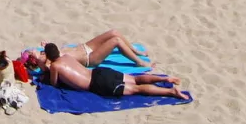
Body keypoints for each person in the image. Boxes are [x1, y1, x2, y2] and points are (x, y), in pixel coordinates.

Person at [40, 43, 188, 101]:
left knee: (136, 89)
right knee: (135, 79)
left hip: (97, 83)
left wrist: (45, 68)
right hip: (99, 72)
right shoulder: (66, 56)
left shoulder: (55, 67)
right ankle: (165, 79)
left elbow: (54, 84)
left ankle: (170, 92)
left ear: (48, 57)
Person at [58, 29, 149, 69]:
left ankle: (135, 51)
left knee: (114, 32)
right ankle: (139, 62)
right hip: (89, 58)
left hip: (85, 47)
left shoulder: (48, 51)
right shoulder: (51, 61)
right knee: (116, 41)